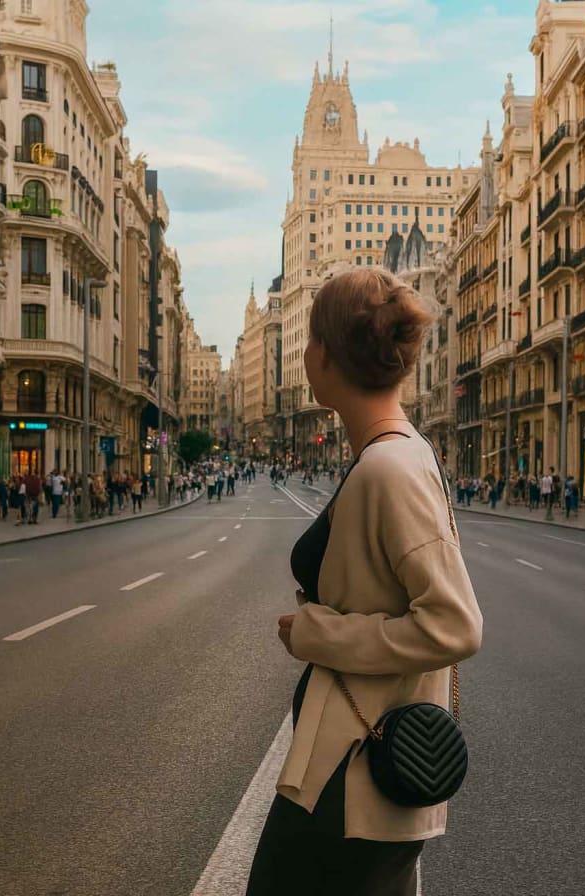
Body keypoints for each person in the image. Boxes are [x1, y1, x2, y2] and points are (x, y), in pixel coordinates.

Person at [246, 269, 483, 896]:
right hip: (345, 770)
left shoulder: (391, 468)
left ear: (323, 353)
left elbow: (454, 623)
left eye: (309, 341)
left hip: (357, 779)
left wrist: (320, 633)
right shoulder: (394, 453)